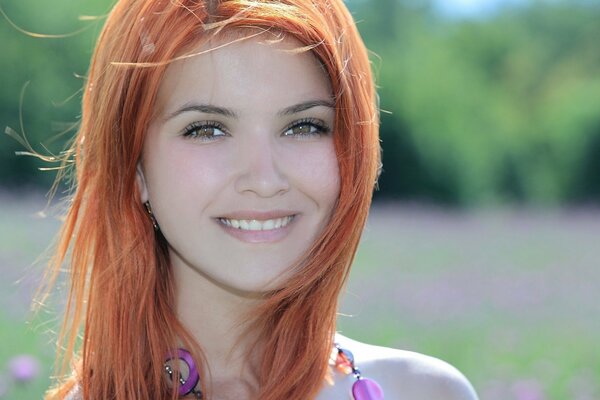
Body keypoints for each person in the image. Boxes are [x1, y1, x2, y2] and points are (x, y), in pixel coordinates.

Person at [39, 0, 479, 399]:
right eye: (207, 129)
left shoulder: (427, 392)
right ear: (135, 168)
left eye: (303, 126)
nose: (265, 180)